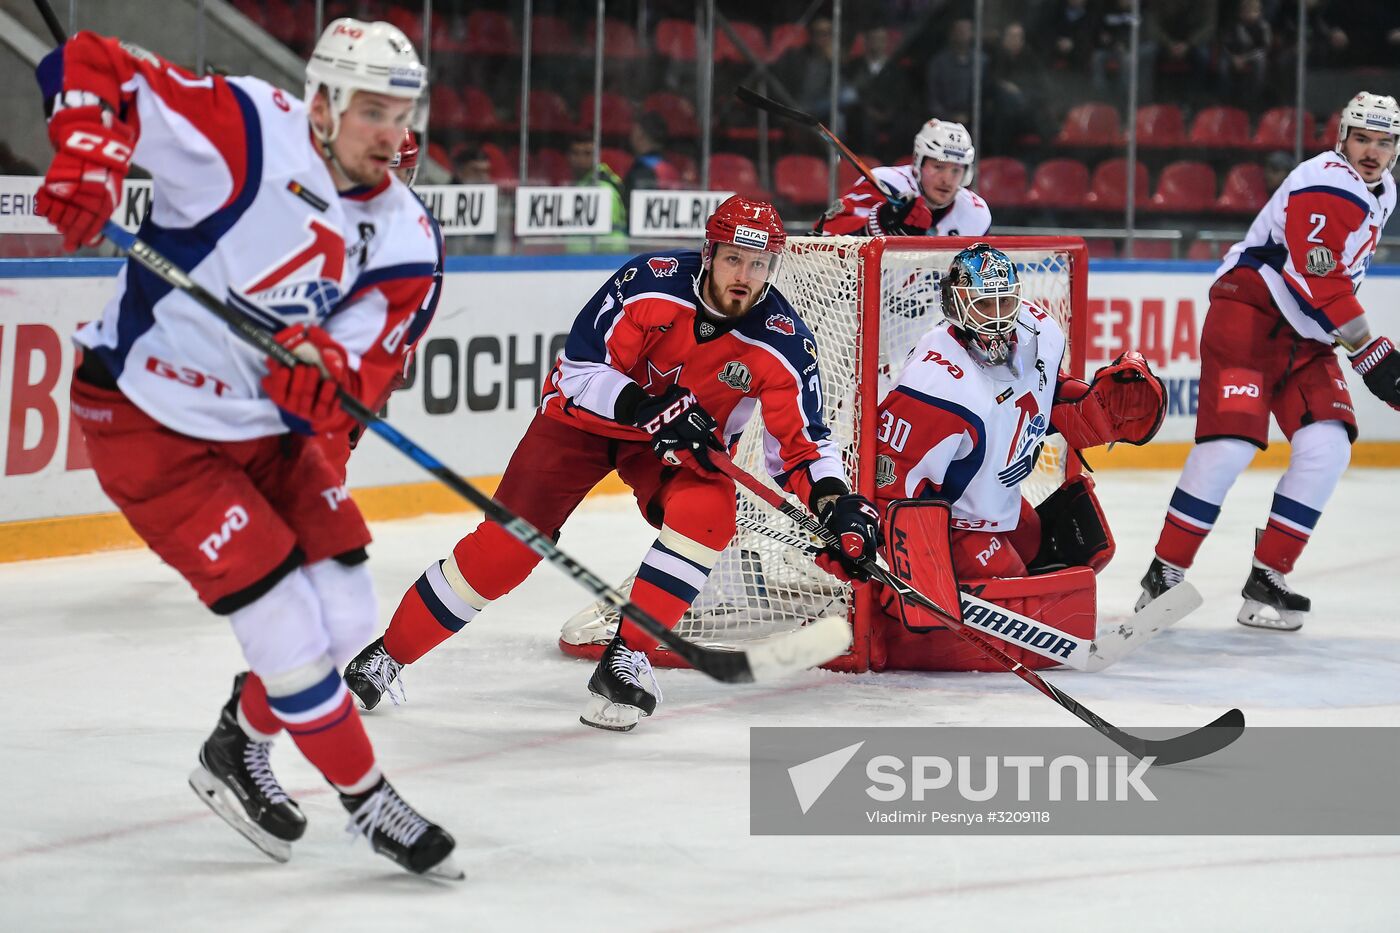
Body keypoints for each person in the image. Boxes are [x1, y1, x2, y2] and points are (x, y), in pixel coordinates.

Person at [38, 19, 460, 878]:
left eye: (403, 112)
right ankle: (367, 798)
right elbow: (91, 62)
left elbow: (360, 371)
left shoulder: (407, 234)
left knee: (344, 616)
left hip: (261, 432)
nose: (394, 133)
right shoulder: (245, 130)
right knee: (285, 627)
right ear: (324, 102)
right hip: (148, 418)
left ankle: (236, 745)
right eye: (373, 110)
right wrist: (88, 154)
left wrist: (323, 379)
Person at [342, 196, 881, 731]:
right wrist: (646, 407)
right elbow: (579, 371)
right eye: (734, 259)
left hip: (673, 449)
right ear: (710, 253)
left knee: (709, 515)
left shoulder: (785, 341)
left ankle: (627, 657)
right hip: (581, 425)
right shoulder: (648, 281)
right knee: (506, 548)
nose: (745, 275)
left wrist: (834, 503)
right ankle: (389, 653)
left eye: (759, 263)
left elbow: (803, 447)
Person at [1139, 92, 1400, 631]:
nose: (1372, 152)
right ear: (1341, 139)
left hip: (1306, 336)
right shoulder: (1325, 183)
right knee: (1231, 445)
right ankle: (1163, 573)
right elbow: (1315, 275)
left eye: (1384, 141)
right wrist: (1371, 349)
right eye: (1362, 139)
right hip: (1250, 315)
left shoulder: (1383, 190)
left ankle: (1268, 575)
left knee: (1328, 448)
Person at [870, 243, 1165, 670]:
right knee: (1029, 600)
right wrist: (909, 561)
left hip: (999, 504)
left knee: (1069, 550)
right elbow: (891, 478)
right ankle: (894, 629)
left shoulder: (1036, 329)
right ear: (956, 303)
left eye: (1004, 299)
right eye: (983, 303)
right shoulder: (936, 382)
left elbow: (1036, 395)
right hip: (956, 523)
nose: (997, 315)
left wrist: (1088, 407)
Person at [814, 118, 991, 238]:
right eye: (938, 167)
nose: (947, 179)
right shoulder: (884, 183)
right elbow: (822, 235)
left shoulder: (976, 213)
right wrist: (877, 224)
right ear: (918, 162)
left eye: (956, 171)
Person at [621, 111, 678, 202]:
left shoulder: (641, 171)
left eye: (633, 132)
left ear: (640, 135)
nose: (630, 137)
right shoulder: (671, 169)